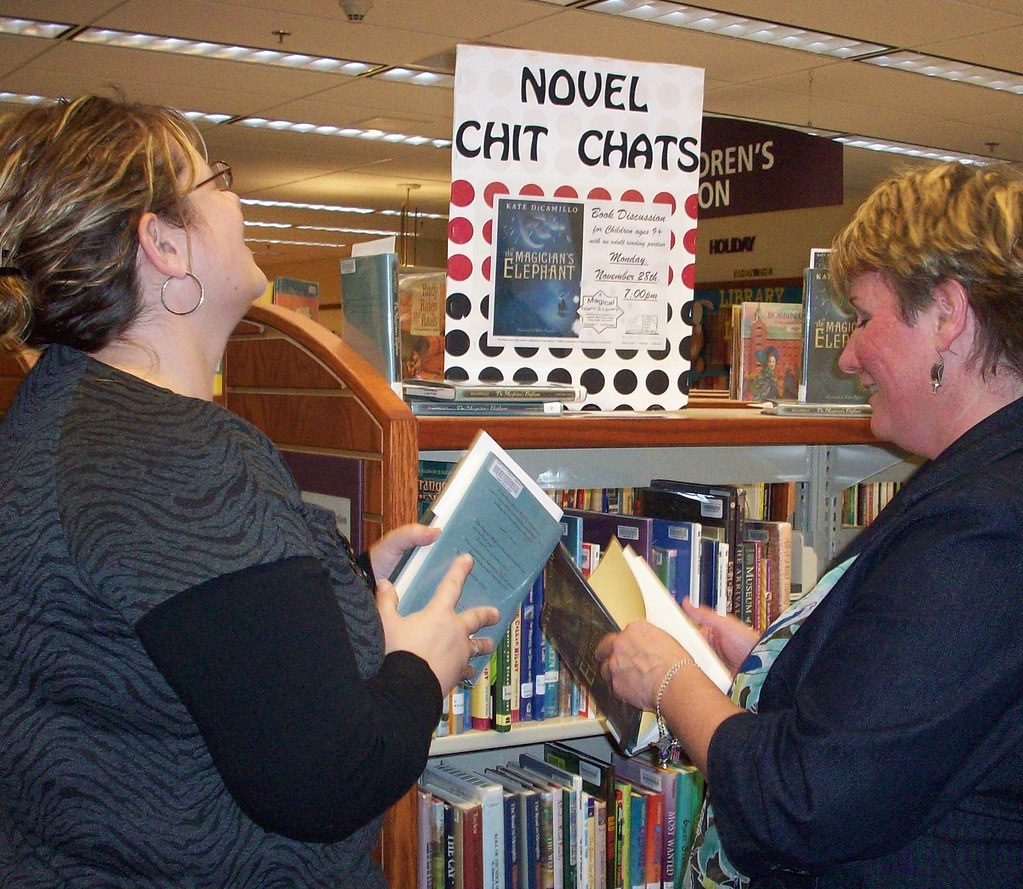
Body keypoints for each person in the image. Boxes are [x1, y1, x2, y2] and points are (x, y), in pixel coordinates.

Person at [0, 94, 499, 888]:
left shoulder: (61, 409)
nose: (237, 200)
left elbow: (168, 628)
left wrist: (338, 584)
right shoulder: (178, 456)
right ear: (163, 244)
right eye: (217, 181)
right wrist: (420, 668)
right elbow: (325, 778)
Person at [597, 160, 1023, 888]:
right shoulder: (982, 479)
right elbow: (914, 713)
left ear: (946, 316)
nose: (847, 352)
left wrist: (671, 681)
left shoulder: (983, 522)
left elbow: (806, 800)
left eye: (862, 316)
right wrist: (770, 661)